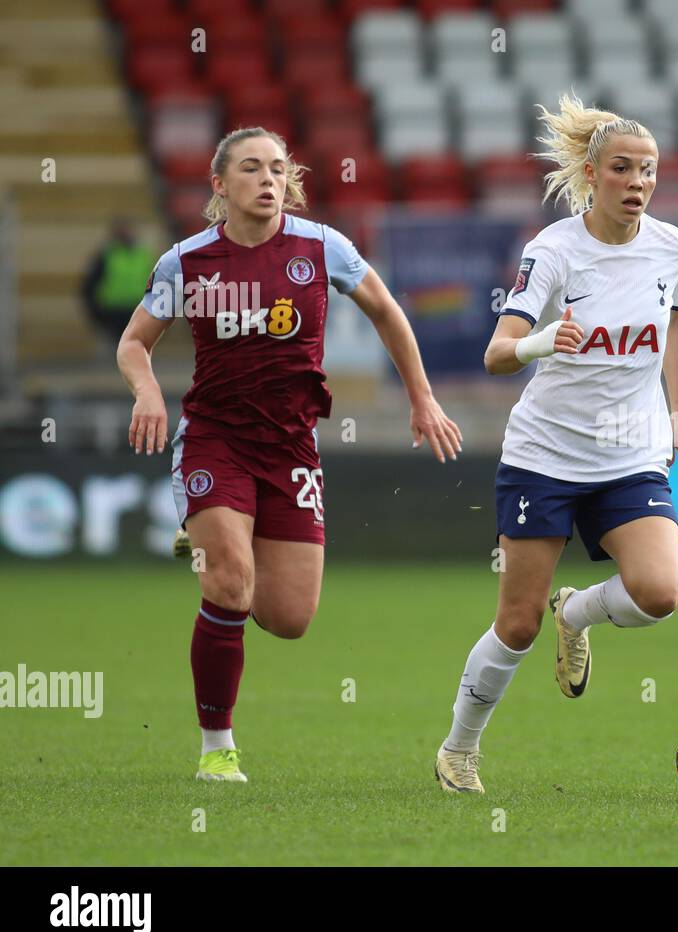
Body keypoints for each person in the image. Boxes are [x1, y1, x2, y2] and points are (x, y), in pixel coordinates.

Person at [116, 127, 462, 783]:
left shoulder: (322, 246)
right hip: (214, 438)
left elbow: (388, 311)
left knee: (288, 617)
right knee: (230, 583)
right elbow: (135, 342)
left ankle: (207, 543)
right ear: (221, 185)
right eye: (251, 168)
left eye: (278, 168)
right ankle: (217, 747)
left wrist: (422, 398)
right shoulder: (186, 263)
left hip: (291, 447)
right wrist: (147, 393)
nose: (269, 179)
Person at [434, 94, 678, 795]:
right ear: (591, 172)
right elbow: (497, 354)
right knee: (517, 624)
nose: (638, 182)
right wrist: (547, 339)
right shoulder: (553, 250)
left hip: (629, 452)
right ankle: (460, 748)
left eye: (648, 171)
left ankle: (577, 612)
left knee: (660, 591)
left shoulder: (673, 249)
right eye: (623, 169)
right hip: (545, 457)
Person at [82, 217, 156, 357]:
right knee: (114, 353)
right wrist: (96, 311)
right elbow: (89, 285)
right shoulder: (106, 255)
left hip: (137, 310)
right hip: (112, 311)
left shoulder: (144, 254)